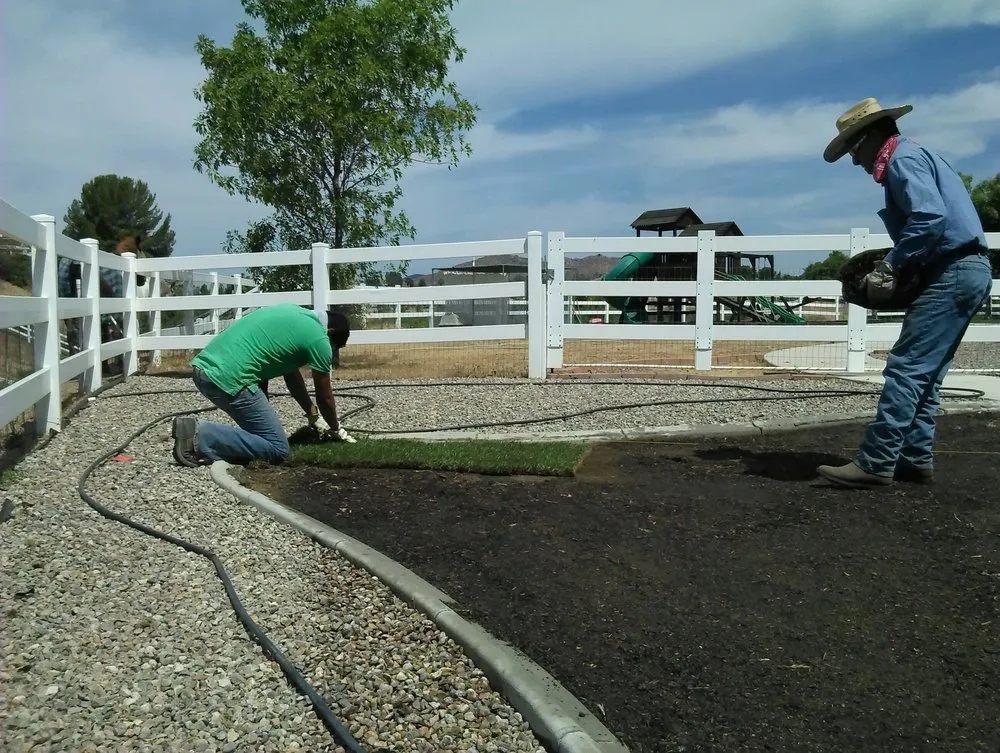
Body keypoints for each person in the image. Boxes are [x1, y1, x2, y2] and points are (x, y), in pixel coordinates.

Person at [816, 98, 992, 489]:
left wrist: (891, 265)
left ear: (870, 137)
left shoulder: (901, 161)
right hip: (969, 269)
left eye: (853, 150)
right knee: (927, 374)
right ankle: (914, 458)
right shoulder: (920, 154)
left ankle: (876, 463)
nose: (855, 161)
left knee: (907, 367)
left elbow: (930, 218)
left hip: (952, 269)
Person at [171, 303, 356, 467]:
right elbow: (325, 397)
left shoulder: (295, 314)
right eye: (334, 347)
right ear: (330, 332)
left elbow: (292, 377)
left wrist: (313, 415)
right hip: (230, 378)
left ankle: (214, 441)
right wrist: (335, 429)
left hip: (205, 371)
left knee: (261, 438)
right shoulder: (319, 339)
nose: (332, 352)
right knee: (278, 449)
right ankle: (201, 433)